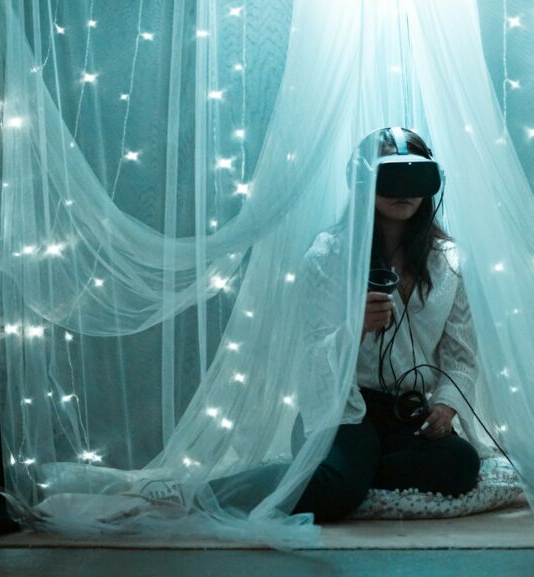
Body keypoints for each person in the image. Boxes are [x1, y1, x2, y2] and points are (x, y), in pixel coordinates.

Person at [207, 128, 482, 522]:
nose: (402, 189)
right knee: (338, 489)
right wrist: (354, 329)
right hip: (343, 407)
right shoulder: (328, 256)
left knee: (460, 465)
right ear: (362, 180)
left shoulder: (450, 261)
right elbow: (312, 357)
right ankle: (210, 493)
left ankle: (355, 471)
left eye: (412, 176)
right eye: (388, 176)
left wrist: (446, 406)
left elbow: (461, 355)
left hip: (408, 412)